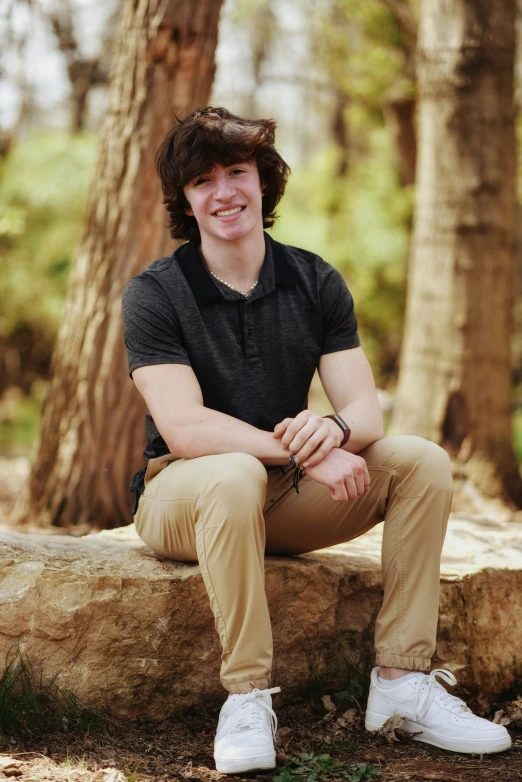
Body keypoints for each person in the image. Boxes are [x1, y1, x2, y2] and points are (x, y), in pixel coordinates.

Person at [121, 107, 511, 774]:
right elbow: (185, 429)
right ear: (185, 199)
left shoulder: (314, 279)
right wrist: (312, 450)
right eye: (202, 181)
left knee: (420, 461)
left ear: (263, 181)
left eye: (237, 172)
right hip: (181, 498)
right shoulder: (156, 293)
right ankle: (246, 696)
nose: (223, 192)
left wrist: (332, 429)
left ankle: (401, 686)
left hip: (284, 498)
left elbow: (364, 409)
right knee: (235, 474)